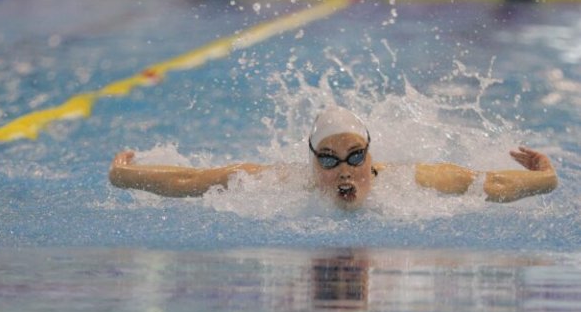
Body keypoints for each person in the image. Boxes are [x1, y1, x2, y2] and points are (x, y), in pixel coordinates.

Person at [108, 106, 558, 209]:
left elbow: (488, 184)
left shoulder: (415, 181)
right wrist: (124, 177)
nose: (344, 170)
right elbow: (192, 181)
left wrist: (546, 178)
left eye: (354, 156)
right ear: (310, 160)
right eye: (328, 160)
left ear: (370, 153)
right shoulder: (275, 184)